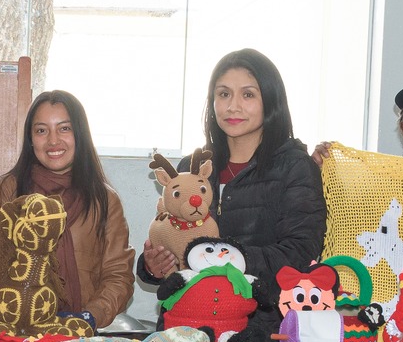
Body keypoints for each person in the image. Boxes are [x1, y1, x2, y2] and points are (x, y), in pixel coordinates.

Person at [139, 49, 325, 287]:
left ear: (270, 101)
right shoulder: (192, 166)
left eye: (248, 95)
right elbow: (170, 235)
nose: (233, 106)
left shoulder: (295, 167)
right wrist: (153, 266)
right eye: (224, 94)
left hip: (260, 316)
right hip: (188, 316)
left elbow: (300, 253)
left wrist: (222, 258)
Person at [0, 90, 133, 329]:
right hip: (11, 328)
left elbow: (119, 276)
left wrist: (88, 318)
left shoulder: (104, 199)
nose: (53, 141)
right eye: (41, 130)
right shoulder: (9, 189)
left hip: (75, 332)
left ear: (80, 134)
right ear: (31, 139)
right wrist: (12, 242)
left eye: (64, 128)